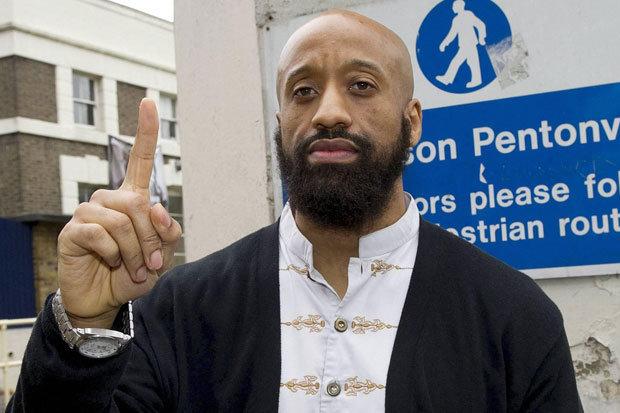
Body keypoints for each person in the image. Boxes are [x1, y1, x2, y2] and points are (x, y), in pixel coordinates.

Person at [8, 9, 582, 413]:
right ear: (281, 125)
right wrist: (84, 325)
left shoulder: (513, 316)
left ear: (412, 122)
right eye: (303, 91)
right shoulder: (180, 310)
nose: (328, 111)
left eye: (361, 85)